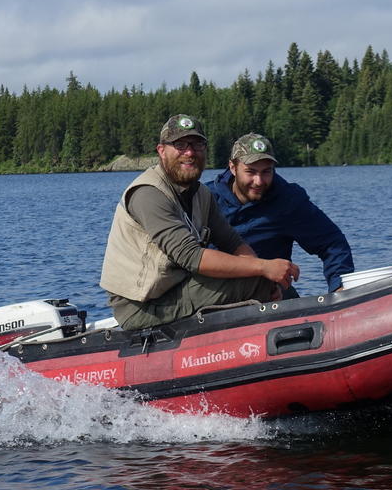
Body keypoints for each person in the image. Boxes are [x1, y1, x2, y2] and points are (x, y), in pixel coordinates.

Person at [100, 115, 299, 331]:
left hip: (175, 289)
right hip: (142, 305)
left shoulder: (201, 194)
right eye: (180, 145)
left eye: (197, 144)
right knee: (257, 280)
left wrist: (267, 274)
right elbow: (191, 256)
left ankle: (296, 331)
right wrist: (262, 269)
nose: (190, 152)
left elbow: (232, 242)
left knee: (272, 281)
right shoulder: (148, 194)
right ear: (161, 151)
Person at [208, 133, 353, 296]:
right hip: (214, 294)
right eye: (251, 172)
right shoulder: (205, 198)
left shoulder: (288, 200)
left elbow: (331, 243)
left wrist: (339, 286)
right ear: (233, 168)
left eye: (266, 172)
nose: (259, 181)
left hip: (272, 295)